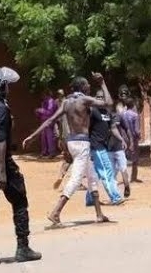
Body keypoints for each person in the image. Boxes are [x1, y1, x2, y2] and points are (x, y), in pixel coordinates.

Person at [22, 74, 112, 227]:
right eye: (87, 85)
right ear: (82, 87)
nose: (89, 87)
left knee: (91, 177)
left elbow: (50, 120)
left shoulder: (66, 102)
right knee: (76, 179)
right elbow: (108, 103)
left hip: (72, 142)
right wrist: (102, 82)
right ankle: (55, 212)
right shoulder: (85, 100)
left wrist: (32, 136)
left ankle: (99, 214)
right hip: (83, 143)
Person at [0, 67, 42, 267]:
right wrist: (3, 171)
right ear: (0, 88)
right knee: (20, 201)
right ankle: (23, 247)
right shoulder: (1, 109)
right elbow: (1, 141)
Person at [87, 88, 125, 206]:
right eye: (97, 97)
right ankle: (115, 197)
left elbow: (113, 128)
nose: (99, 100)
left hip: (103, 146)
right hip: (96, 145)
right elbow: (86, 128)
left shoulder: (107, 112)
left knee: (96, 174)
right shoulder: (92, 111)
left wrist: (121, 139)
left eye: (102, 98)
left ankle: (90, 199)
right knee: (107, 171)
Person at [118, 87, 142, 184]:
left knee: (123, 158)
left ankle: (125, 178)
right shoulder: (134, 114)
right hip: (132, 137)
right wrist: (138, 135)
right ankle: (133, 177)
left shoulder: (122, 113)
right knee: (135, 158)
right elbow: (136, 130)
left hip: (123, 137)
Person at [35, 91, 59, 158]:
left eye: (44, 95)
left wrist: (40, 110)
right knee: (43, 137)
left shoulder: (51, 101)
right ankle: (44, 152)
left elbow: (49, 112)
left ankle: (52, 152)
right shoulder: (44, 101)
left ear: (47, 95)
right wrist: (38, 113)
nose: (42, 96)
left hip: (49, 121)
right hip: (43, 121)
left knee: (49, 137)